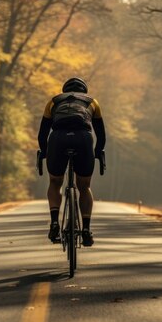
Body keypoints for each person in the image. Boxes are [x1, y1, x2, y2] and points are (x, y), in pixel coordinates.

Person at [37, 77, 106, 247]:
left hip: (58, 139)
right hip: (83, 139)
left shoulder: (53, 101)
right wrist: (97, 153)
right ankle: (86, 230)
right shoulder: (92, 102)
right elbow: (101, 135)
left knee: (55, 182)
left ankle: (54, 222)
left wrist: (45, 152)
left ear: (64, 90)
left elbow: (42, 133)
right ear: (84, 91)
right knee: (84, 186)